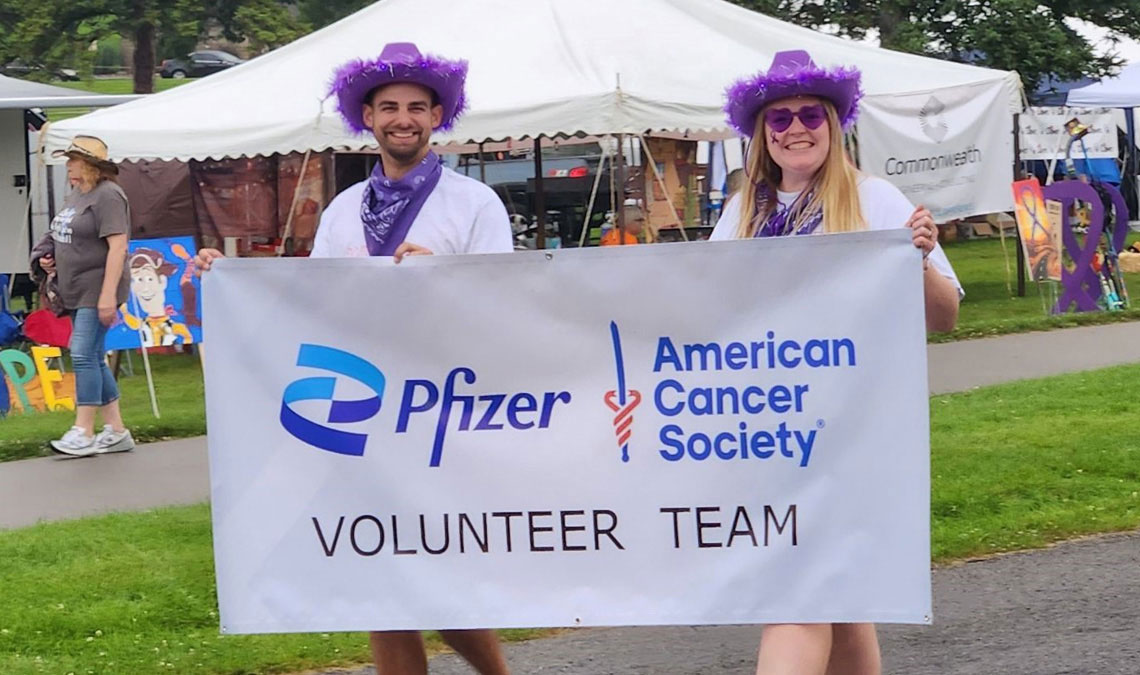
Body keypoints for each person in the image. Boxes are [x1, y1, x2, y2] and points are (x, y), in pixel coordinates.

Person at [195, 42, 512, 675]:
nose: (404, 119)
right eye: (389, 107)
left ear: (438, 116)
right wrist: (234, 279)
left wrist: (450, 278)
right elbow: (315, 307)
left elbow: (510, 304)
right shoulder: (343, 211)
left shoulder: (474, 205)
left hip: (441, 412)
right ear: (366, 117)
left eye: (418, 108)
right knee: (381, 580)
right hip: (362, 411)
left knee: (436, 571)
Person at [715, 50, 962, 675]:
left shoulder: (874, 199)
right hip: (766, 430)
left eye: (808, 116)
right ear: (761, 134)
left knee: (800, 592)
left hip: (849, 432)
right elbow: (707, 313)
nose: (795, 129)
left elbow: (943, 317)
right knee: (841, 596)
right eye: (778, 120)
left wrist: (920, 260)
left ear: (833, 123)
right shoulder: (745, 213)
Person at [31, 136, 135, 456]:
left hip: (97, 287)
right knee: (91, 355)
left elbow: (118, 246)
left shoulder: (109, 196)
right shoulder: (79, 194)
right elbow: (62, 232)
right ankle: (117, 431)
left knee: (80, 353)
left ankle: (83, 431)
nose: (69, 166)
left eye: (74, 161)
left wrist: (107, 296)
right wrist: (48, 256)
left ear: (91, 165)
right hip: (74, 288)